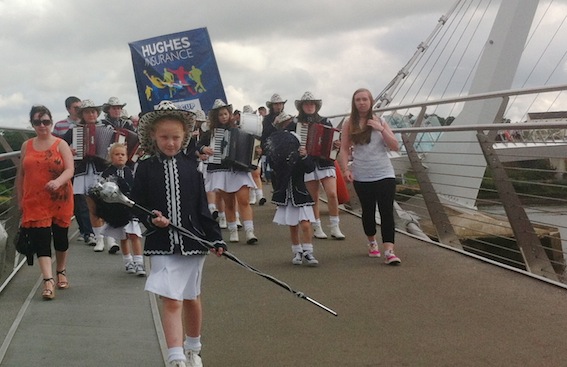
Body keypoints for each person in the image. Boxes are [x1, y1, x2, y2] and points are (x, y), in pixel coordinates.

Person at [131, 100, 226, 367]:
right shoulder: (145, 168)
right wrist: (151, 218)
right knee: (171, 298)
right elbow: (136, 204)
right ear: (153, 136)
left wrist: (215, 238)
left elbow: (203, 209)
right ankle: (175, 358)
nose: (170, 142)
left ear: (185, 136)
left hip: (193, 243)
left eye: (175, 137)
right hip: (161, 244)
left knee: (191, 297)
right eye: (164, 137)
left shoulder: (192, 169)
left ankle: (193, 348)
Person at [15, 105, 75, 299]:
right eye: (37, 122)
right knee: (41, 239)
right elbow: (21, 174)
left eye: (46, 121)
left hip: (60, 198)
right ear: (32, 124)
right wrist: (20, 199)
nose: (42, 126)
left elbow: (69, 170)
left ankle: (61, 270)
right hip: (34, 199)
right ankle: (48, 281)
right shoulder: (27, 145)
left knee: (60, 238)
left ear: (51, 122)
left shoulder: (60, 144)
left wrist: (57, 182)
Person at [339, 88, 401, 265]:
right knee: (368, 212)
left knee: (387, 212)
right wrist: (346, 169)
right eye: (358, 99)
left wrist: (381, 129)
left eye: (365, 99)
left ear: (371, 101)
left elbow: (395, 146)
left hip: (384, 173)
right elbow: (344, 148)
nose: (361, 102)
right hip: (362, 175)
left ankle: (389, 251)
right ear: (354, 102)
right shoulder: (349, 123)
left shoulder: (380, 120)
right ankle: (372, 242)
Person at [198, 99, 258, 244]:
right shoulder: (210, 133)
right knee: (229, 202)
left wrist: (258, 151)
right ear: (215, 117)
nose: (223, 117)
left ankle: (250, 232)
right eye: (220, 115)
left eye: (225, 114)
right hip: (221, 169)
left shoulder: (240, 128)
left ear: (230, 114)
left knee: (244, 200)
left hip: (239, 169)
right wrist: (203, 149)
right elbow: (198, 145)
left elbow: (254, 145)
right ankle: (233, 231)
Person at [266, 113, 319, 265]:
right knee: (292, 224)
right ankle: (297, 251)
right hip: (285, 190)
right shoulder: (276, 149)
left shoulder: (299, 152)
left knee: (305, 222)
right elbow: (273, 166)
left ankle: (308, 251)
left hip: (299, 190)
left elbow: (309, 168)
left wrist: (304, 156)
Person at [295, 91, 345, 240]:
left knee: (332, 193)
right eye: (307, 104)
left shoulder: (325, 121)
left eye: (312, 104)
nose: (310, 106)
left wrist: (337, 144)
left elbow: (335, 141)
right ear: (302, 107)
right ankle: (316, 226)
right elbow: (292, 142)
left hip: (325, 161)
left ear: (316, 106)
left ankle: (335, 226)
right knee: (313, 197)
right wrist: (300, 149)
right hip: (307, 162)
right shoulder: (296, 123)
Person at [63, 99, 112, 252]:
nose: (91, 114)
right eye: (87, 111)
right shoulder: (74, 131)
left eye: (93, 111)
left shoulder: (107, 128)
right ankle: (99, 239)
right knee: (91, 206)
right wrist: (69, 151)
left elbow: (117, 146)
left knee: (106, 204)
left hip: (101, 170)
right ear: (82, 114)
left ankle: (110, 239)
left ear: (97, 113)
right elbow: (60, 146)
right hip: (84, 171)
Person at [96, 143, 146, 275]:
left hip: (130, 208)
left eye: (122, 154)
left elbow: (136, 187)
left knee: (135, 235)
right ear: (111, 157)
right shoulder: (107, 173)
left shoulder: (130, 171)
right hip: (116, 211)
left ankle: (139, 263)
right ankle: (128, 261)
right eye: (117, 155)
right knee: (123, 237)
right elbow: (101, 190)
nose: (120, 157)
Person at [260, 94, 287, 186]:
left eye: (280, 104)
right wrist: (274, 123)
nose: (278, 106)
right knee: (274, 173)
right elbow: (264, 134)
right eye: (276, 104)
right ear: (272, 106)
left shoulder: (287, 116)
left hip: (285, 149)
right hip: (272, 149)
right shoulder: (267, 119)